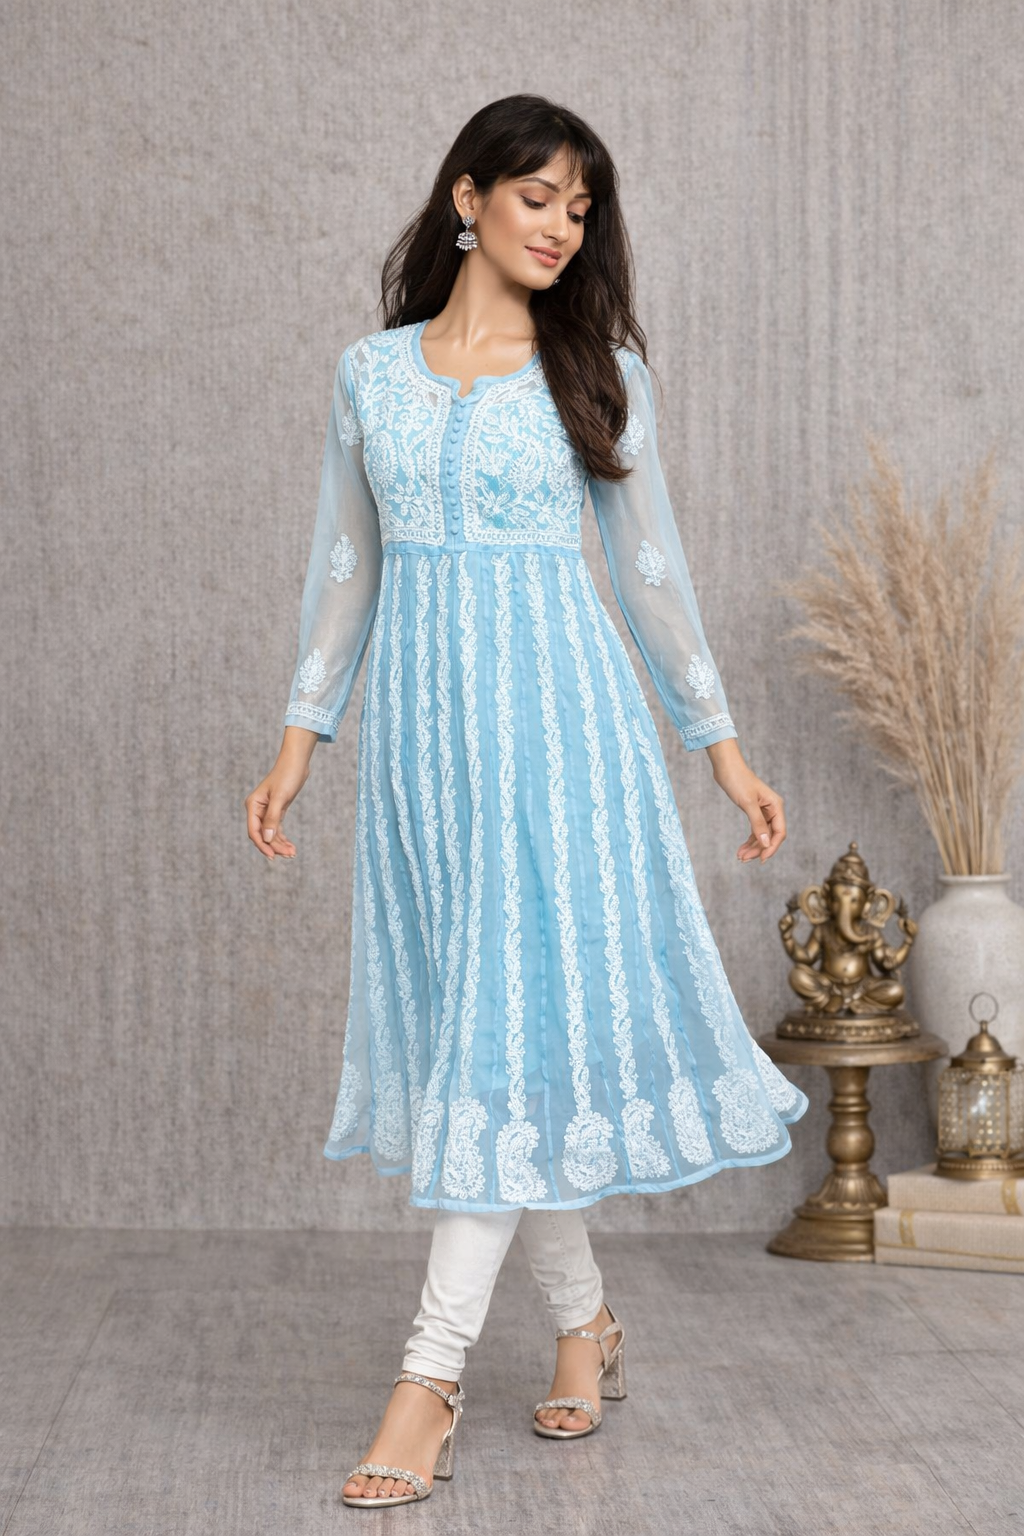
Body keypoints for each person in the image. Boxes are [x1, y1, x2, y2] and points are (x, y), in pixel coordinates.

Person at [245, 94, 809, 1509]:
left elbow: (652, 570)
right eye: (539, 197)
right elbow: (345, 567)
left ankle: (426, 1381)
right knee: (495, 1041)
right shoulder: (370, 377)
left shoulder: (598, 372)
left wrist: (721, 746)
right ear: (469, 197)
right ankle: (584, 1323)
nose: (561, 228)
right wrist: (301, 739)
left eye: (580, 209)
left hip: (565, 742)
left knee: (501, 1034)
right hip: (424, 756)